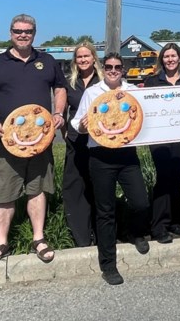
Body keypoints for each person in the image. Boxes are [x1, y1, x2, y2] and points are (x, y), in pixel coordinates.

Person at [0, 13, 67, 271]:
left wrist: (58, 112)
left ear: (35, 33)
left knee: (37, 189)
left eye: (28, 31)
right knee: (4, 192)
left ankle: (39, 238)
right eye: (18, 31)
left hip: (40, 141)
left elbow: (60, 88)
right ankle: (1, 243)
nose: (23, 35)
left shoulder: (47, 61)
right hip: (6, 142)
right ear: (10, 32)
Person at [70, 52, 151, 286]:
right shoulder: (92, 92)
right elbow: (76, 122)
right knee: (105, 211)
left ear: (123, 69)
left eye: (117, 67)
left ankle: (134, 232)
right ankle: (108, 264)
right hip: (100, 156)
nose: (113, 70)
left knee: (140, 202)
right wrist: (83, 127)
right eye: (108, 67)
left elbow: (146, 117)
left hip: (127, 154)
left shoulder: (132, 91)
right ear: (102, 68)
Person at [142, 43, 180, 244]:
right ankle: (158, 225)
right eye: (166, 56)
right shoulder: (152, 81)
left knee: (177, 177)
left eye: (173, 56)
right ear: (161, 59)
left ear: (179, 58)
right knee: (164, 177)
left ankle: (173, 221)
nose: (170, 59)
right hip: (159, 138)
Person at [61, 42, 102, 247]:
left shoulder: (103, 81)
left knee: (97, 186)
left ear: (94, 58)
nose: (83, 60)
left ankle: (100, 231)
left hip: (100, 142)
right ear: (75, 60)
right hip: (76, 141)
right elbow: (62, 110)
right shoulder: (69, 81)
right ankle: (82, 237)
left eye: (87, 56)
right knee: (74, 188)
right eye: (79, 57)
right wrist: (65, 132)